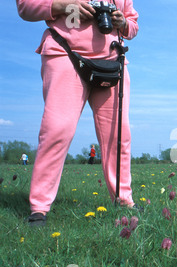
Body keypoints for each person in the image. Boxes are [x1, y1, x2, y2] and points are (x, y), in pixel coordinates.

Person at [17, 0, 139, 226]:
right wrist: (63, 5)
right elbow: (25, 6)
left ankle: (124, 200)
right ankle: (39, 207)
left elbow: (133, 26)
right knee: (57, 130)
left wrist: (122, 23)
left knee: (118, 135)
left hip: (111, 62)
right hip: (64, 53)